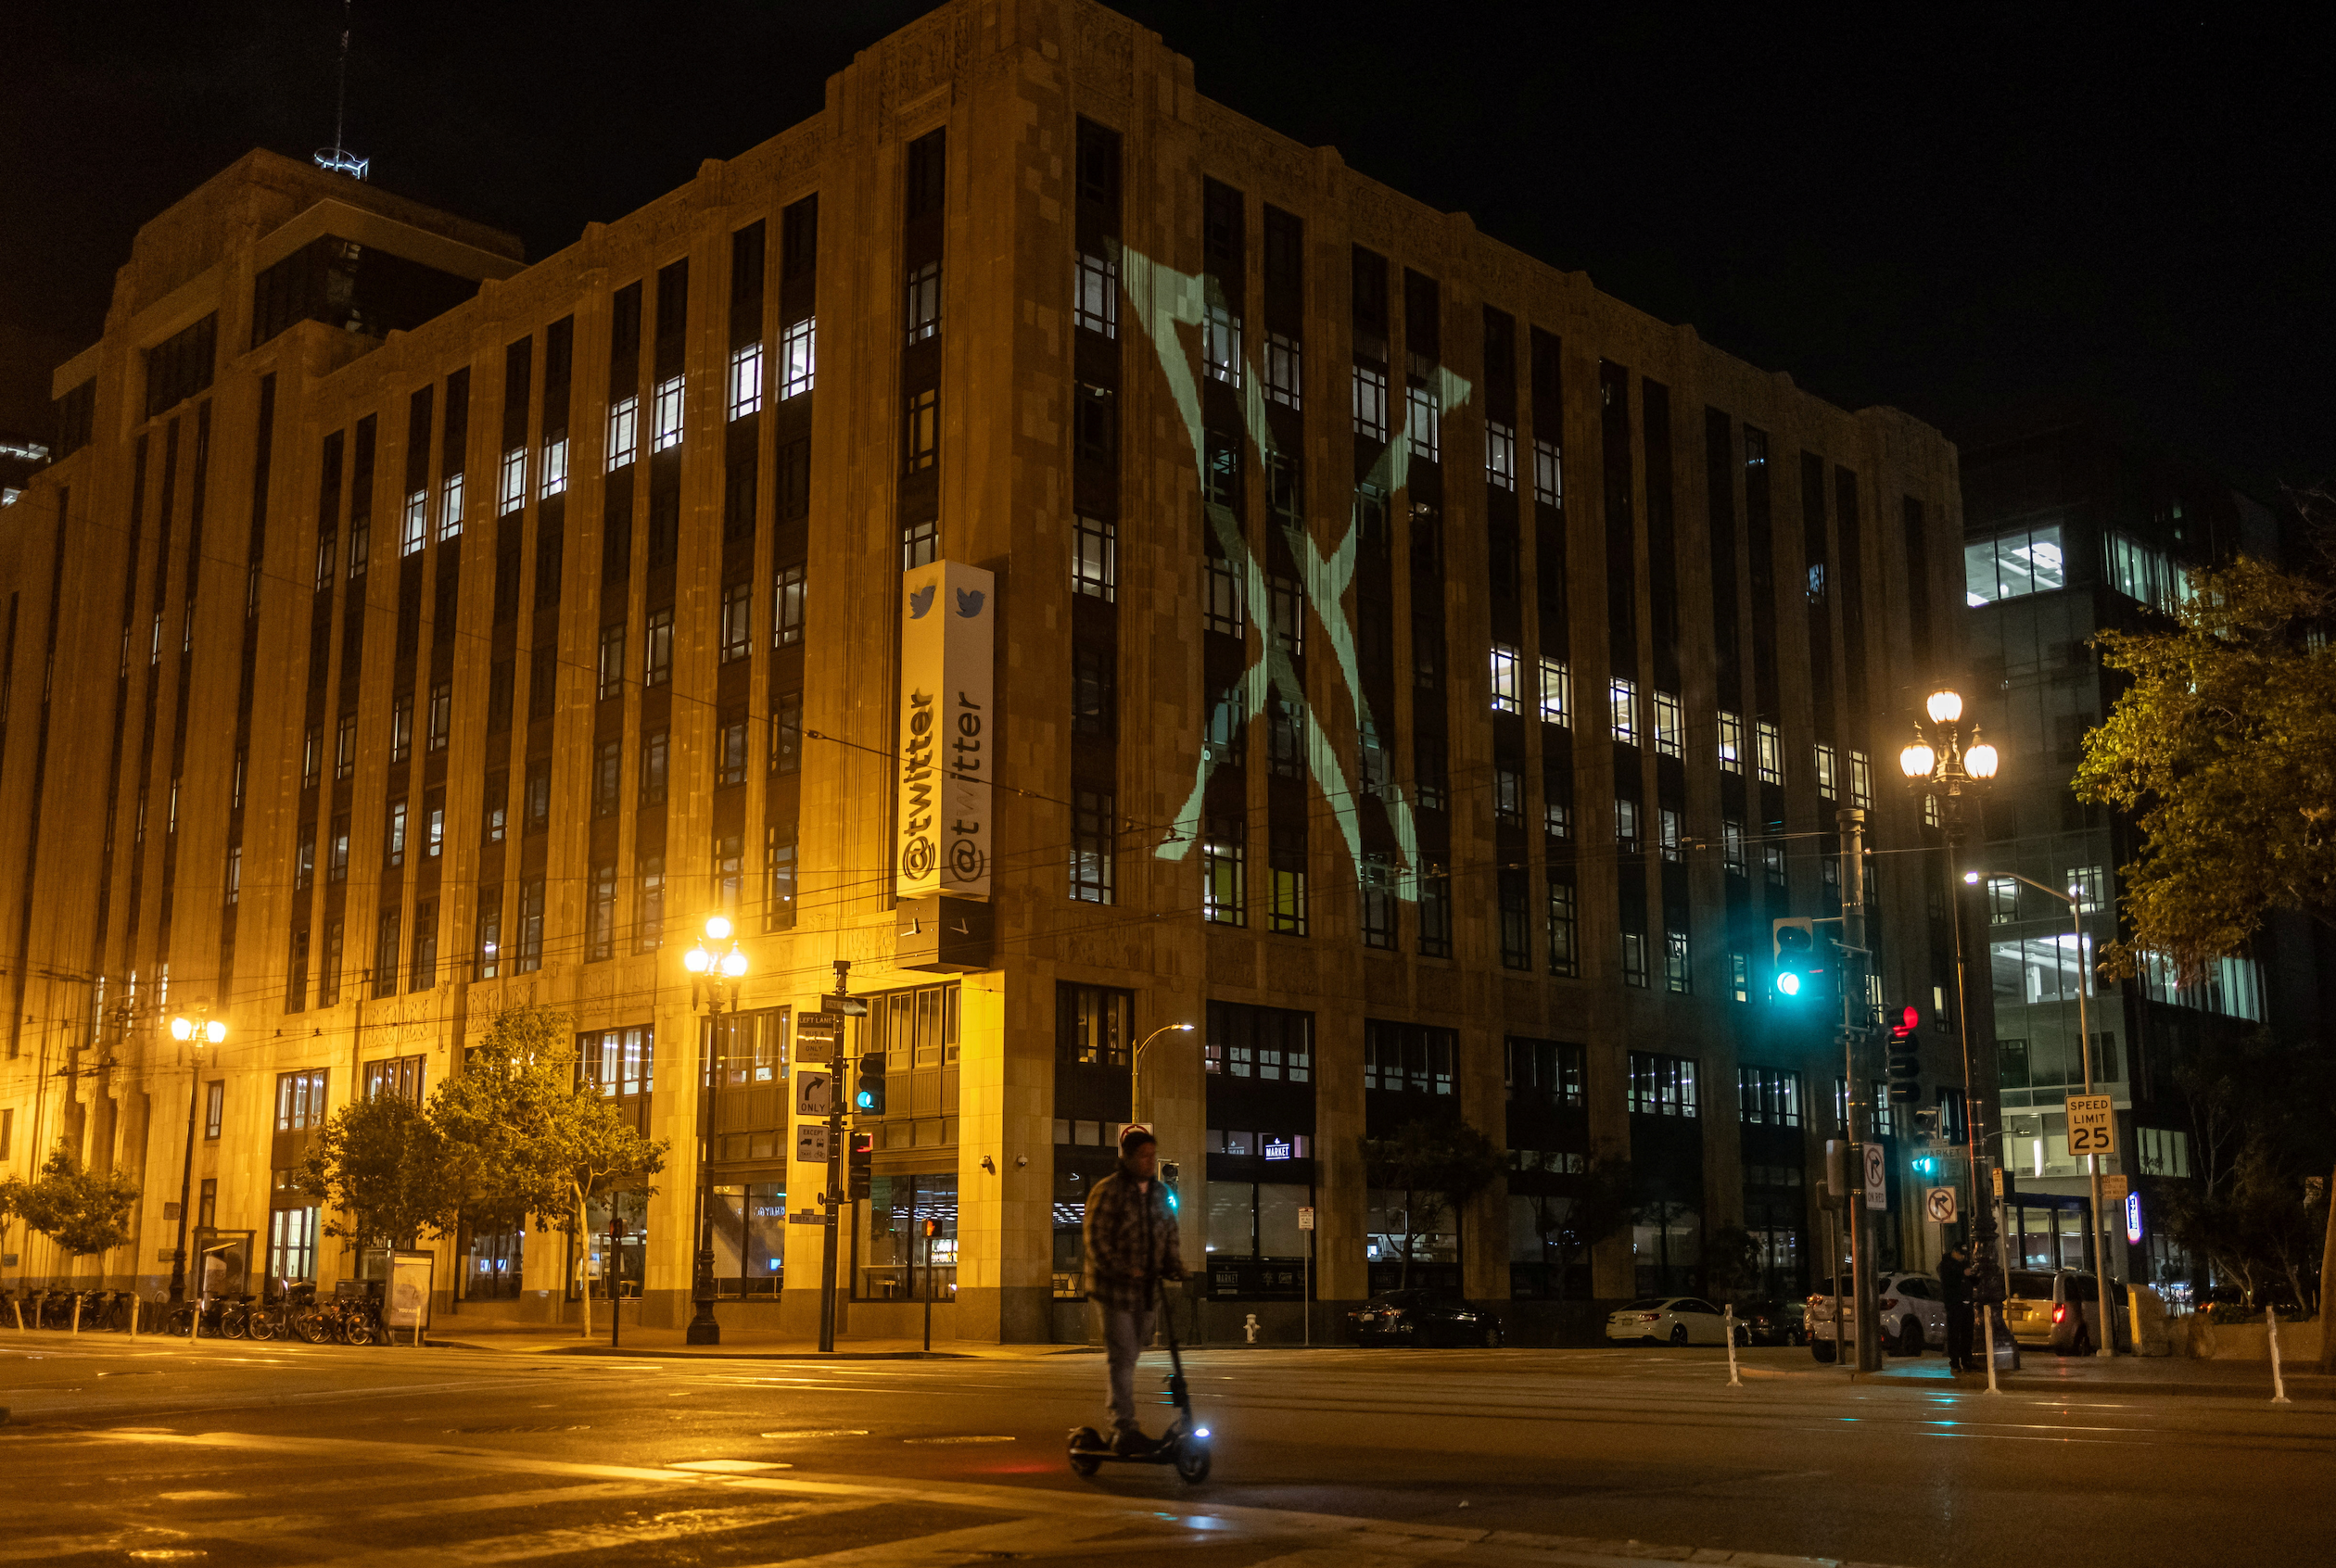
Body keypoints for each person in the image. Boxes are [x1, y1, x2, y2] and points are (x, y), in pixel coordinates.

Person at [1083, 1123, 1185, 1454]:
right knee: (1123, 1357)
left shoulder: (1158, 1194)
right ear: (1127, 1157)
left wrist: (1175, 1265)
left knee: (1133, 1352)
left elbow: (1169, 1233)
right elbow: (1096, 1241)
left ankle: (1124, 1423)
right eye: (1144, 1156)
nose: (1149, 1161)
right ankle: (1122, 1426)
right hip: (1113, 1291)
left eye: (1152, 1156)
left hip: (1145, 1291)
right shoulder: (1107, 1191)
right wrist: (1125, 1269)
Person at [1939, 1243, 1974, 1372]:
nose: (1962, 1257)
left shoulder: (1964, 1264)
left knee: (1967, 1334)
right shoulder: (1946, 1264)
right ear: (1954, 1252)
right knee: (1955, 1334)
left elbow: (1972, 1281)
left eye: (1964, 1255)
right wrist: (1962, 1273)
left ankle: (1967, 1361)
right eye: (1960, 1254)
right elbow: (1949, 1280)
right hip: (1954, 1304)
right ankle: (1955, 1361)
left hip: (1967, 1303)